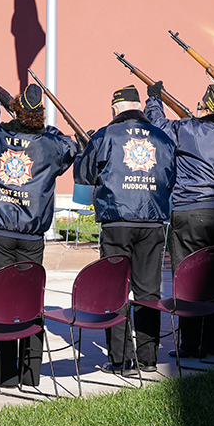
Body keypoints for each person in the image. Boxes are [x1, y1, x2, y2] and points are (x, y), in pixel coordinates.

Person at [0, 83, 78, 388]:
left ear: (15, 109)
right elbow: (71, 146)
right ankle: (31, 373)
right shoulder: (49, 144)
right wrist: (43, 126)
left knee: (1, 299)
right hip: (32, 234)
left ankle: (5, 374)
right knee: (31, 300)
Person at [145, 80, 214, 360]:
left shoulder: (187, 129)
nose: (194, 109)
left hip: (189, 213)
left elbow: (157, 124)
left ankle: (190, 344)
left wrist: (154, 99)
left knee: (187, 278)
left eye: (199, 106)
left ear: (207, 108)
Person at [73, 85, 176, 375]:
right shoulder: (162, 137)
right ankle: (148, 357)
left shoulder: (106, 135)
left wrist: (87, 152)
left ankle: (121, 359)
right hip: (152, 221)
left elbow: (83, 176)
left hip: (117, 221)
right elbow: (170, 177)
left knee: (116, 290)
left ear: (115, 108)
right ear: (139, 107)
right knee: (148, 290)